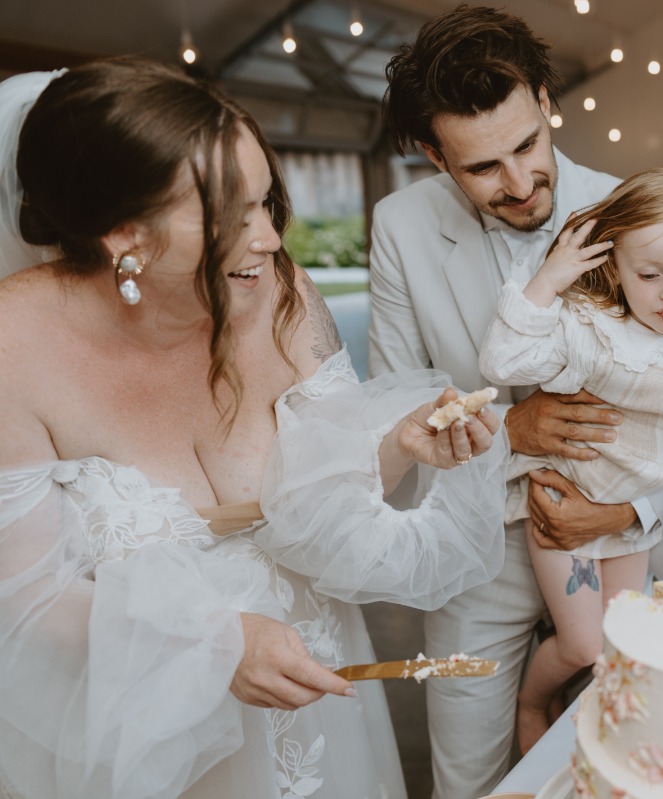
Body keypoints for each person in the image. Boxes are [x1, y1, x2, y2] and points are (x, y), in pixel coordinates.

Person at [0, 60, 507, 799]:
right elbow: (27, 595)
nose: (270, 239)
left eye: (268, 202)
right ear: (122, 233)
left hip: (311, 689)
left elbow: (324, 499)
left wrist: (400, 446)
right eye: (234, 213)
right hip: (138, 723)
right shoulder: (16, 346)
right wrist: (210, 643)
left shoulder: (282, 293)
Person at [368, 6, 663, 796]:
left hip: (620, 539)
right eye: (481, 169)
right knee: (465, 774)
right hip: (476, 550)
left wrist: (623, 516)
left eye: (527, 147)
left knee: (623, 764)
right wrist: (510, 425)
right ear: (436, 157)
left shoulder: (632, 206)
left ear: (545, 101)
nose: (518, 183)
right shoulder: (400, 226)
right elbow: (392, 406)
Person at [479, 168, 663, 752]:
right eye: (649, 275)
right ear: (615, 268)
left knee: (622, 641)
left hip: (628, 529)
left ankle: (609, 745)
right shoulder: (595, 332)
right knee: (584, 646)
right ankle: (530, 703)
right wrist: (547, 280)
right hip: (561, 508)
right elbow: (503, 362)